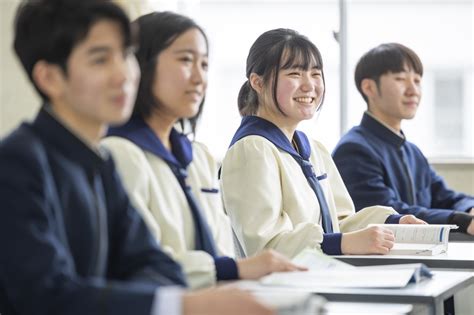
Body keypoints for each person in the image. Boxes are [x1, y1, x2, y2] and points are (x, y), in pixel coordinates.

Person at [0, 1, 275, 315]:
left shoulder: (98, 161)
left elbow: (155, 264)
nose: (125, 74)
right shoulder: (18, 163)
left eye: (127, 55)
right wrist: (181, 304)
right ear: (49, 77)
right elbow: (48, 295)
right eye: (100, 59)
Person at [102, 11, 304, 290]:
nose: (199, 78)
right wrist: (234, 269)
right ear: (140, 64)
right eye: (186, 60)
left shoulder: (197, 157)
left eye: (205, 64)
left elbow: (218, 248)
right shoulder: (118, 154)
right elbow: (138, 264)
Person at [219, 29, 425, 260]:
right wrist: (343, 242)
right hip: (281, 289)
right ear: (257, 82)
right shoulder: (252, 149)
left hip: (321, 276)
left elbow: (339, 222)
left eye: (315, 74)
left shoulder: (312, 149)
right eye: (295, 73)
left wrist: (393, 222)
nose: (309, 85)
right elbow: (266, 246)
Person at [332, 43, 474, 235]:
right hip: (382, 261)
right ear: (369, 87)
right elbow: (388, 213)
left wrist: (469, 208)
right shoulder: (353, 149)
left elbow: (444, 196)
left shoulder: (412, 151)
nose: (413, 90)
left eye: (417, 81)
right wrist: (459, 220)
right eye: (400, 79)